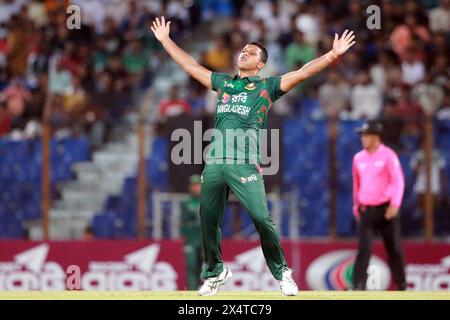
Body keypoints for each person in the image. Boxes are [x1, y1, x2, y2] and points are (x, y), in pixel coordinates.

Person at [150, 16, 356, 296]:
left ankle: (282, 271)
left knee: (261, 218)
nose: (243, 53)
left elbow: (303, 73)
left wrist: (332, 54)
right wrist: (166, 40)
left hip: (244, 163)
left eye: (251, 52)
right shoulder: (224, 83)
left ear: (260, 64)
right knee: (208, 220)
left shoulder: (266, 87)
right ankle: (215, 272)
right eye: (242, 50)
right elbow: (190, 65)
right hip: (214, 163)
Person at [352, 120, 407, 290]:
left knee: (394, 249)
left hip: (386, 209)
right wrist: (356, 204)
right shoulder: (358, 158)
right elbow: (357, 184)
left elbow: (398, 180)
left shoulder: (388, 156)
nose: (363, 138)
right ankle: (358, 286)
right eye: (362, 135)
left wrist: (395, 204)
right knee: (363, 249)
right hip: (367, 210)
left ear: (376, 137)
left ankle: (401, 285)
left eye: (366, 135)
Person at [180, 175, 203, 290]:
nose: (197, 188)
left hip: (204, 238)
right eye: (194, 185)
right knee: (191, 265)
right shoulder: (186, 202)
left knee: (206, 266)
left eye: (198, 185)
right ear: (190, 187)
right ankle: (192, 291)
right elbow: (183, 219)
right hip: (191, 239)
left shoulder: (208, 200)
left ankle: (208, 290)